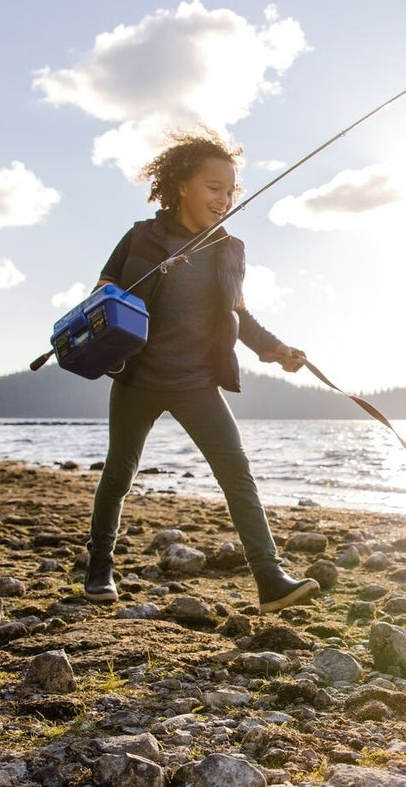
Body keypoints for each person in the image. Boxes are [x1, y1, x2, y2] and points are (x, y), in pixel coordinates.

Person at [83, 127, 320, 613]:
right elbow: (100, 296)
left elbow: (240, 316)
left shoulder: (229, 249)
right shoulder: (140, 236)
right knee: (119, 473)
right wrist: (145, 280)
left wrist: (278, 349)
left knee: (237, 474)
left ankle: (270, 578)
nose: (223, 199)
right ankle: (99, 566)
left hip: (197, 383)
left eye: (230, 191)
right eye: (214, 188)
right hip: (138, 379)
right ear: (182, 186)